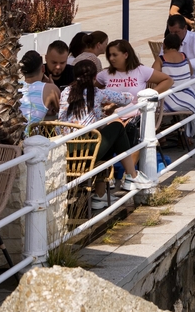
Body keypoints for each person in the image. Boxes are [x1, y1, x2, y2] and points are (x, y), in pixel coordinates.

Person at [59, 60, 151, 210]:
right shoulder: (98, 93)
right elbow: (127, 98)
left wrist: (100, 112)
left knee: (106, 136)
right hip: (87, 152)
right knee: (117, 127)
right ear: (95, 76)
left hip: (68, 150)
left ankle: (100, 196)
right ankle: (131, 175)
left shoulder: (65, 93)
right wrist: (113, 105)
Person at [155, 31, 195, 140]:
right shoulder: (184, 56)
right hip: (189, 97)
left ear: (164, 45)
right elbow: (191, 72)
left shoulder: (161, 59)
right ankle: (187, 136)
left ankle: (160, 136)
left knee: (151, 106)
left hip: (169, 98)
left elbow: (152, 76)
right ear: (179, 46)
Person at [166, 15, 195, 96]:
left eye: (176, 32)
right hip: (176, 82)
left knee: (184, 93)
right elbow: (161, 59)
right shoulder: (168, 40)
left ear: (185, 28)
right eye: (171, 32)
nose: (173, 35)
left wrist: (182, 64)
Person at [19, 51, 59, 125]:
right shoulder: (50, 89)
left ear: (22, 71)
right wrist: (52, 85)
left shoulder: (14, 88)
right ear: (43, 68)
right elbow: (63, 111)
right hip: (30, 135)